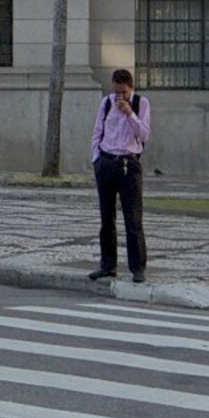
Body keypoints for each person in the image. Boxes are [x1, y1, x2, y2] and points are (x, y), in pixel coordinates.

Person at [89, 67, 150, 283]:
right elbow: (97, 131)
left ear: (130, 88)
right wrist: (96, 159)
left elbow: (143, 134)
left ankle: (138, 267)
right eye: (117, 92)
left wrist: (129, 114)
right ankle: (108, 264)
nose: (120, 97)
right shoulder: (106, 103)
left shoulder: (141, 103)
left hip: (128, 164)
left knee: (133, 219)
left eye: (124, 92)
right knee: (107, 218)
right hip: (107, 161)